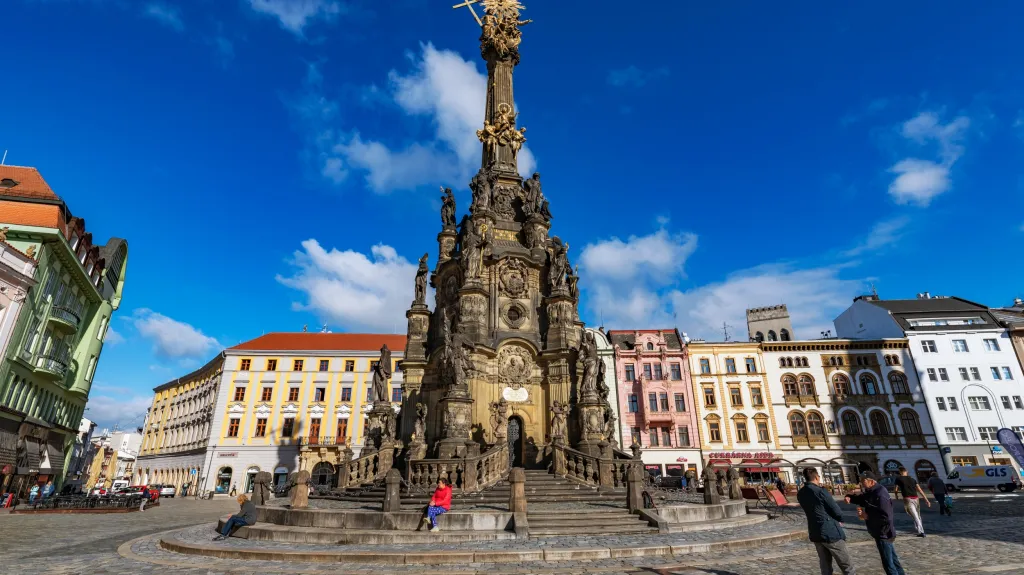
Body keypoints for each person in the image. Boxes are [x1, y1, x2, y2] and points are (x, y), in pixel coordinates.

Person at [797, 468, 856, 575]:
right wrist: (840, 519)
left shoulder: (801, 493)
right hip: (830, 532)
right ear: (816, 477)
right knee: (847, 566)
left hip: (815, 531)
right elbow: (836, 510)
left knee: (825, 567)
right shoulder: (820, 491)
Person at [846, 472, 905, 575]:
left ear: (871, 481)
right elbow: (863, 499)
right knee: (893, 560)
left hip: (884, 532)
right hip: (879, 531)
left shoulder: (880, 494)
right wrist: (849, 497)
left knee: (889, 564)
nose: (861, 482)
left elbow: (886, 516)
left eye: (863, 480)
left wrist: (867, 516)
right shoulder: (871, 491)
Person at [894, 467, 930, 536]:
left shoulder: (898, 479)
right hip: (916, 498)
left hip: (907, 499)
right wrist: (926, 500)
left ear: (900, 472)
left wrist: (896, 496)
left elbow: (895, 489)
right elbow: (920, 490)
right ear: (906, 471)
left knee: (915, 515)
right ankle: (918, 528)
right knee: (917, 515)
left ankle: (921, 532)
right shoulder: (913, 479)